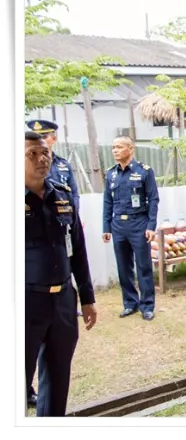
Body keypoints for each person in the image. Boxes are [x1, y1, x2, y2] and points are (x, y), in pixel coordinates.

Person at [25, 131, 97, 416]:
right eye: (32, 154)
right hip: (25, 303)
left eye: (45, 153)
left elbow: (77, 250)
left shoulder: (62, 195)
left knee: (57, 383)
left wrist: (88, 299)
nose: (42, 159)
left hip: (63, 303)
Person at [102, 136, 159, 321]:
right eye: (113, 147)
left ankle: (147, 305)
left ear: (131, 148)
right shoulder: (111, 174)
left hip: (139, 224)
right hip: (118, 225)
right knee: (123, 267)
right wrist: (106, 227)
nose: (115, 150)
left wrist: (151, 226)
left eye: (119, 147)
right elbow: (107, 201)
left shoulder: (144, 171)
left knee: (143, 266)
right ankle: (130, 303)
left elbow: (153, 199)